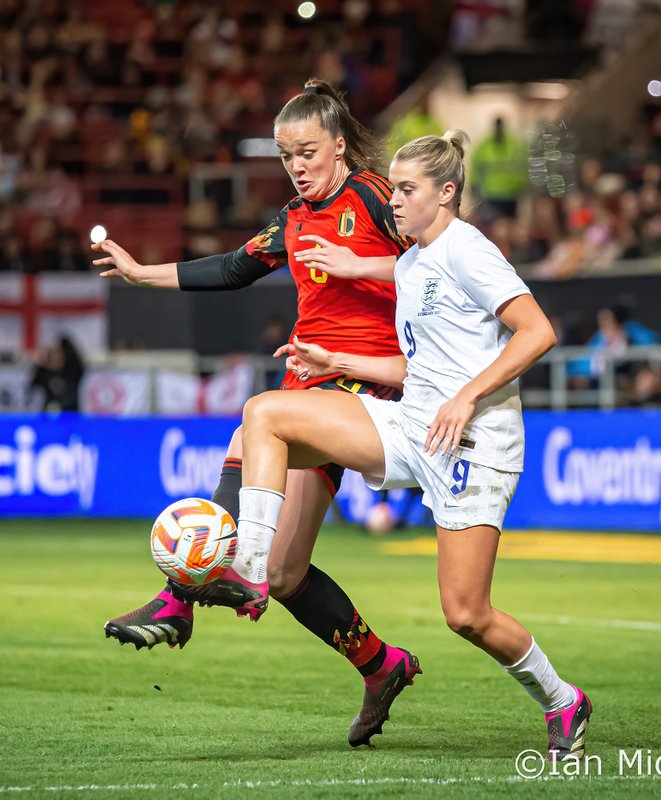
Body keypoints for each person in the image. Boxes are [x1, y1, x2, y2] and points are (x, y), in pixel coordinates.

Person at [240, 132, 592, 759]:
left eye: (407, 190)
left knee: (466, 614)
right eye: (394, 188)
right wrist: (333, 357)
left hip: (474, 442)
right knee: (265, 415)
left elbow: (538, 332)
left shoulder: (468, 251)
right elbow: (418, 370)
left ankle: (563, 699)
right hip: (413, 426)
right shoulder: (411, 262)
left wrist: (466, 396)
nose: (393, 202)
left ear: (446, 193)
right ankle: (250, 569)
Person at [95, 79, 421, 747]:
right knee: (286, 573)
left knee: (256, 420)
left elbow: (439, 261)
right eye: (285, 156)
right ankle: (382, 665)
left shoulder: (377, 198)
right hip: (310, 385)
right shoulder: (295, 219)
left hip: (368, 385)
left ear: (337, 144)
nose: (297, 166)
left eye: (307, 152)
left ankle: (178, 601)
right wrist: (140, 273)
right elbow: (233, 268)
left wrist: (362, 264)